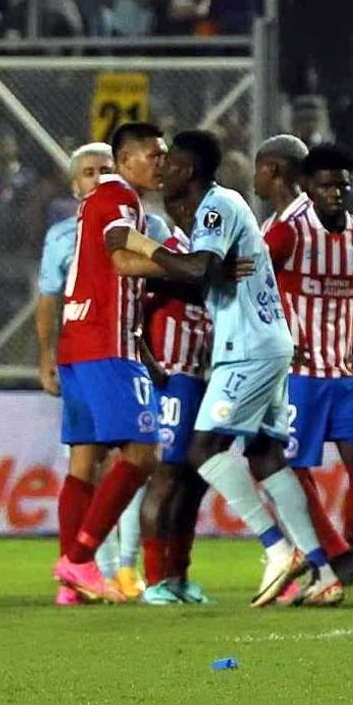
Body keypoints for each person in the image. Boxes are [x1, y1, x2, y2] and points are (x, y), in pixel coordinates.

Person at [118, 129, 345, 607]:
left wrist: (141, 249)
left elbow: (200, 270)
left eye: (172, 164)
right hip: (265, 341)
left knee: (202, 450)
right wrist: (186, 273)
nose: (164, 171)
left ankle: (277, 548)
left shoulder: (216, 207)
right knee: (265, 457)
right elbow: (202, 279)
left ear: (190, 170)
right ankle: (323, 570)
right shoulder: (216, 211)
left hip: (247, 346)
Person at [263, 144, 353, 596]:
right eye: (325, 185)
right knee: (293, 470)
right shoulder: (288, 233)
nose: (336, 193)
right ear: (307, 188)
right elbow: (257, 282)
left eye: (342, 184)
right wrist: (279, 341)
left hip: (345, 375)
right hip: (300, 378)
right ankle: (334, 554)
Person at [50, 123, 169, 604]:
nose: (161, 163)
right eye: (153, 155)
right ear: (126, 161)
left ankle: (71, 585)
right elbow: (120, 256)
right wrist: (185, 265)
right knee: (142, 454)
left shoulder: (95, 203)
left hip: (77, 343)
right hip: (105, 344)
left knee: (84, 463)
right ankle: (80, 559)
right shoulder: (119, 198)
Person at [254, 134, 353, 587]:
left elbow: (265, 286)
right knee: (277, 461)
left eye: (260, 168)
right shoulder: (284, 220)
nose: (255, 178)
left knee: (276, 462)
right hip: (301, 362)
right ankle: (320, 556)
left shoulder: (293, 225)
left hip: (300, 367)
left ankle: (327, 555)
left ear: (275, 170)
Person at [133, 159, 216, 606]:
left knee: (194, 479)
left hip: (205, 377)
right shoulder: (165, 242)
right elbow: (136, 312)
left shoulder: (208, 246)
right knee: (165, 476)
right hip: (174, 375)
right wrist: (150, 364)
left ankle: (179, 576)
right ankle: (153, 581)